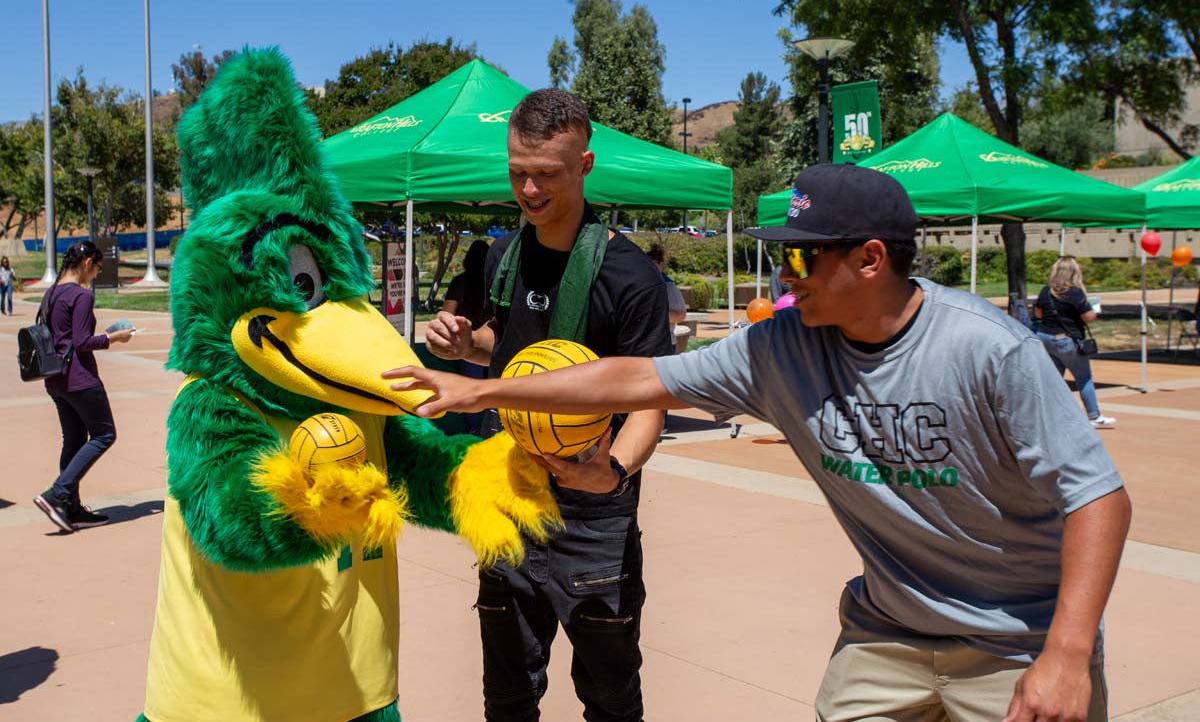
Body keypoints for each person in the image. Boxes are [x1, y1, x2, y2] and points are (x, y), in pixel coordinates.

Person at [389, 163, 1132, 722]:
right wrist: (484, 390)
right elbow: (634, 379)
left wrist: (1066, 654)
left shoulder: (987, 350)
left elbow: (1099, 497)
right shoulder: (779, 347)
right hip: (888, 631)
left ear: (871, 260)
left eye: (803, 259)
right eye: (781, 256)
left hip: (1019, 638)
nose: (783, 276)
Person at [421, 88, 671, 722]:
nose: (529, 190)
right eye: (518, 173)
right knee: (506, 698)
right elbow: (504, 356)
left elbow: (650, 403)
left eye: (546, 175)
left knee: (610, 701)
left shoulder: (628, 277)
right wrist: (462, 342)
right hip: (509, 495)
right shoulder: (503, 256)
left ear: (585, 165)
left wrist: (612, 470)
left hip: (594, 513)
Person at [33, 240, 134, 533]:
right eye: (98, 269)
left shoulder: (50, 294)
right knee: (104, 434)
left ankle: (70, 507)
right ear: (88, 262)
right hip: (80, 378)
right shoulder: (80, 295)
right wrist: (116, 337)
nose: (96, 275)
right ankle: (58, 493)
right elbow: (81, 342)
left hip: (55, 379)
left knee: (75, 440)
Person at [1034, 256, 1116, 429]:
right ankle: (1094, 416)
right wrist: (1093, 308)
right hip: (1067, 340)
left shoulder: (1045, 291)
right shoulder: (1075, 293)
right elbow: (1089, 317)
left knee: (1053, 379)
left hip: (1045, 338)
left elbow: (1039, 314)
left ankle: (1046, 416)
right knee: (1084, 378)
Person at [442, 238, 492, 434]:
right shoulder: (495, 281)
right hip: (495, 341)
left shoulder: (459, 282)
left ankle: (473, 432)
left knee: (470, 390)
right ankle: (492, 430)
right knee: (496, 390)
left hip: (468, 342)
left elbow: (447, 312)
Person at [646, 243, 687, 325]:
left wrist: (653, 314)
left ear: (661, 265)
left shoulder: (668, 286)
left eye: (652, 264)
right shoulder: (639, 284)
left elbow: (680, 315)